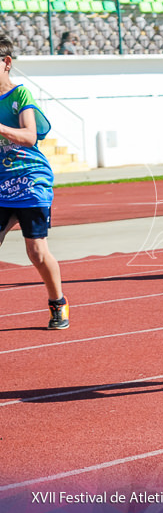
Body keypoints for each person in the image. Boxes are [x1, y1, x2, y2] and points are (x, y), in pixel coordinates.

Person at [0, 33, 68, 330]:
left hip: (30, 181)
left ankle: (58, 304)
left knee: (36, 252)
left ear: (6, 63)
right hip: (2, 184)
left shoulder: (20, 95)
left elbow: (29, 136)